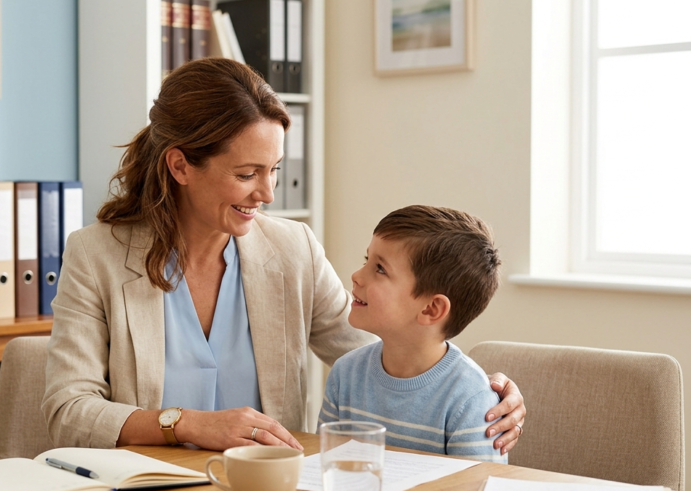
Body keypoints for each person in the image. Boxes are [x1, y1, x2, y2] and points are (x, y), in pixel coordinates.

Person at [42, 57, 525, 453]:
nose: (268, 193)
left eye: (274, 169)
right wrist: (186, 424)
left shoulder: (293, 249)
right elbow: (68, 411)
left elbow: (386, 353)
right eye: (247, 173)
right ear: (180, 165)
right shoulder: (96, 255)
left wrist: (476, 389)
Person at [318, 205, 510, 462]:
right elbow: (324, 469)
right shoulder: (345, 375)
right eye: (367, 261)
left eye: (380, 269)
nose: (356, 276)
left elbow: (479, 485)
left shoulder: (471, 399)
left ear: (431, 309)